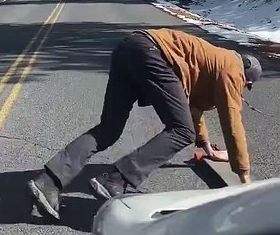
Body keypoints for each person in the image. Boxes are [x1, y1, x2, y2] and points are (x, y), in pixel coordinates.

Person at [28, 28, 262, 220]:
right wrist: (245, 177)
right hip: (152, 53)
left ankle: (48, 182)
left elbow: (194, 108)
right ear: (247, 76)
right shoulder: (232, 70)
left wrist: (206, 147)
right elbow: (232, 121)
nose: (245, 89)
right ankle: (115, 179)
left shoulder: (215, 61)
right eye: (247, 85)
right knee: (182, 132)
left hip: (129, 47)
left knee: (109, 129)